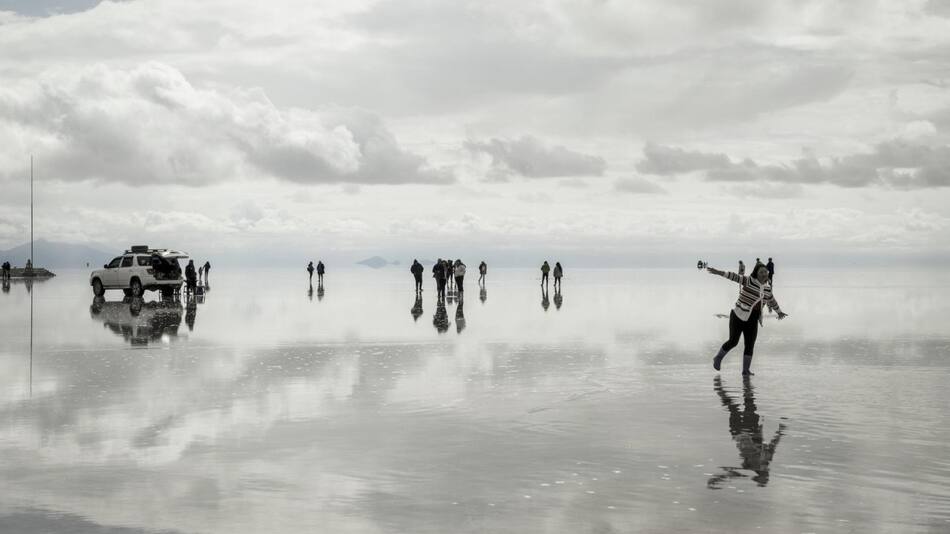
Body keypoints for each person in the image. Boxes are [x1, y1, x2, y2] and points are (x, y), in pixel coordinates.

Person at [707, 262, 788, 375]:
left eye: (765, 272)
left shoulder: (767, 288)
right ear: (756, 273)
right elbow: (734, 276)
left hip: (753, 319)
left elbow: (772, 300)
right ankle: (718, 358)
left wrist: (779, 312)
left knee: (750, 344)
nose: (764, 274)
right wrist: (718, 272)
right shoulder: (749, 281)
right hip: (738, 316)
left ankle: (746, 370)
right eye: (761, 272)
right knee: (733, 341)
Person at [707, 376, 785, 489]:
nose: (766, 469)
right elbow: (774, 442)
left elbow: (733, 474)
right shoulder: (767, 458)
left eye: (764, 473)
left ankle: (720, 388)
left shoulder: (750, 467)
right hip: (751, 430)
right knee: (748, 403)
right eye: (766, 473)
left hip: (739, 433)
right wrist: (781, 431)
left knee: (734, 407)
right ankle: (746, 382)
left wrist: (719, 479)